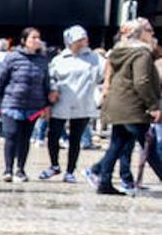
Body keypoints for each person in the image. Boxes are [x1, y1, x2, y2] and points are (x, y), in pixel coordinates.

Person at [88, 18, 162, 195]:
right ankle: (99, 175)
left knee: (117, 144)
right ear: (141, 34)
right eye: (149, 31)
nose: (152, 35)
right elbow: (142, 81)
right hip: (133, 107)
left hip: (117, 105)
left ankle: (103, 180)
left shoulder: (118, 52)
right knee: (148, 146)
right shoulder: (141, 54)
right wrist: (153, 105)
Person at [0, 27, 55, 183]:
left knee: (25, 138)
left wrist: (47, 105)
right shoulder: (12, 57)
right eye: (33, 38)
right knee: (11, 134)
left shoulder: (42, 60)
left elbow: (46, 83)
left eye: (38, 38)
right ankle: (8, 169)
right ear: (24, 40)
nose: (37, 41)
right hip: (11, 103)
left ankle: (20, 169)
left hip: (33, 105)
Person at [42, 25, 102, 183]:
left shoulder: (95, 58)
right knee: (53, 134)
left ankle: (70, 170)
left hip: (83, 102)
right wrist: (53, 90)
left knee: (76, 138)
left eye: (85, 38)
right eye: (80, 39)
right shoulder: (59, 59)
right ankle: (54, 164)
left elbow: (105, 72)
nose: (84, 41)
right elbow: (51, 77)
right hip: (61, 102)